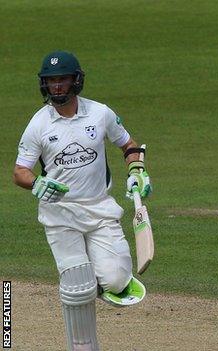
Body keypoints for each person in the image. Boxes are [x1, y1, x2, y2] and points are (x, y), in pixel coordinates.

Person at [13, 50, 152, 350]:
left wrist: (137, 172)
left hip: (100, 209)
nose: (57, 87)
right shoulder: (39, 124)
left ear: (75, 81)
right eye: (51, 82)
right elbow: (20, 172)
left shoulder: (100, 113)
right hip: (60, 215)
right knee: (78, 285)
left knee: (117, 282)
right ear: (44, 85)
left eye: (62, 80)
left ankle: (99, 281)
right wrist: (37, 183)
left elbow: (128, 144)